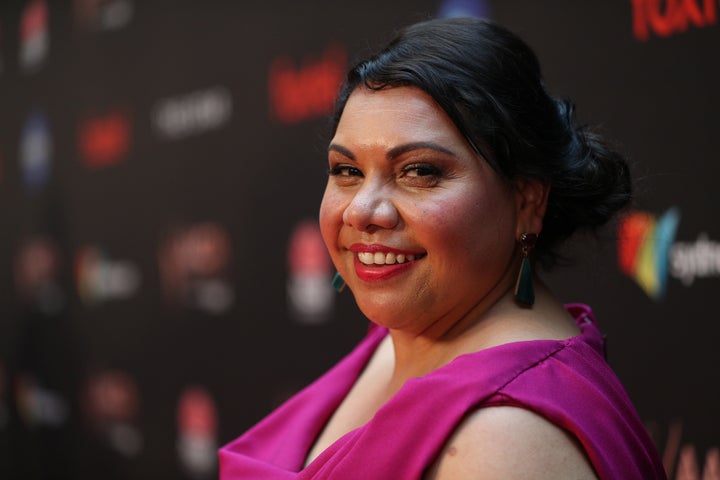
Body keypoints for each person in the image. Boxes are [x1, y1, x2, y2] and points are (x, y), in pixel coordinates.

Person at [219, 17, 666, 479]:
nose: (362, 211)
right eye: (347, 171)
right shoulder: (414, 329)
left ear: (528, 200)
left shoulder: (505, 443)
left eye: (419, 171)